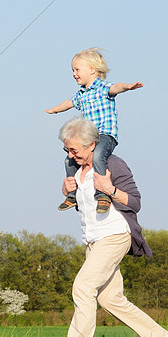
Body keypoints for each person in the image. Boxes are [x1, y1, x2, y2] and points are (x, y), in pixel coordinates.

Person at [48, 117, 168, 337]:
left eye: (74, 150)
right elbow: (87, 209)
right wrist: (68, 192)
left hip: (115, 234)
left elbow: (135, 202)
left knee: (83, 287)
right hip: (93, 240)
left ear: (92, 145)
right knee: (110, 299)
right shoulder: (77, 170)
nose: (70, 155)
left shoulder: (112, 165)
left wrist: (111, 189)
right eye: (67, 150)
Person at [45, 48, 143, 213]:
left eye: (77, 69)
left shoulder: (103, 88)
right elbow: (69, 103)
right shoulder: (81, 95)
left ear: (92, 70)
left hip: (105, 135)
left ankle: (102, 194)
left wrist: (127, 87)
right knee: (68, 161)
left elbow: (116, 88)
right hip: (87, 139)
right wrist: (54, 110)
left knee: (98, 156)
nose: (74, 74)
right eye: (72, 70)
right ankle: (72, 195)